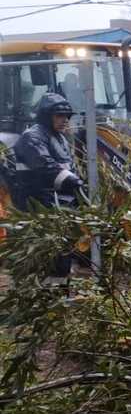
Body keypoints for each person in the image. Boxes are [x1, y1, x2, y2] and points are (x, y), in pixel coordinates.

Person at [13, 93, 85, 277]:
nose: (64, 120)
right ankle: (49, 294)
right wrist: (72, 181)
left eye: (66, 116)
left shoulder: (58, 137)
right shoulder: (33, 137)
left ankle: (59, 291)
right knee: (49, 253)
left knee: (63, 251)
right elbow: (44, 165)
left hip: (58, 204)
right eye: (59, 116)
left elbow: (66, 165)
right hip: (40, 204)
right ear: (46, 115)